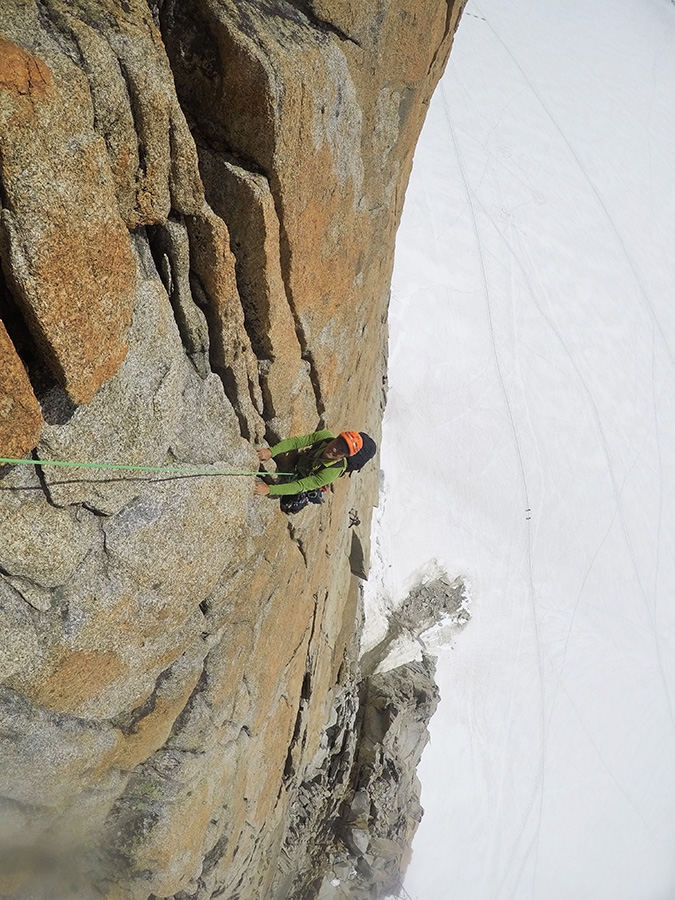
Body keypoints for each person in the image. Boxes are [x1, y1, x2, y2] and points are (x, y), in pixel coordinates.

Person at [254, 429, 364, 497]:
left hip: (304, 477)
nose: (334, 449)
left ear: (345, 456)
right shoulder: (325, 436)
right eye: (337, 443)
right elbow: (297, 442)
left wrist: (270, 490)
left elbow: (301, 485)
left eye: (341, 450)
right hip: (302, 462)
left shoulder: (330, 473)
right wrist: (271, 451)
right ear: (335, 438)